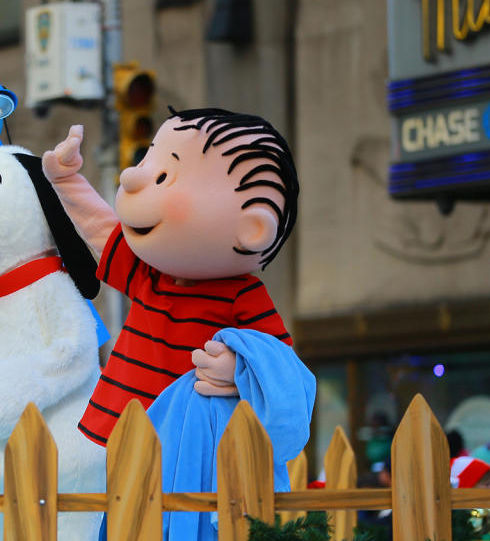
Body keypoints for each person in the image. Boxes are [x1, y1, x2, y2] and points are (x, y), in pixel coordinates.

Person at [44, 108, 314, 540]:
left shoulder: (242, 295)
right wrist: (67, 179)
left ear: (254, 228)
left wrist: (239, 368)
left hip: (194, 451)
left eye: (166, 175)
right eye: (151, 161)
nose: (133, 177)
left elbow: (279, 365)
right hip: (116, 437)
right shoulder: (149, 276)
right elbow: (101, 229)